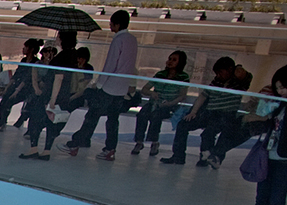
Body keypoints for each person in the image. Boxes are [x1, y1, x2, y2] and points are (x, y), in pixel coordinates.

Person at [66, 10, 137, 159]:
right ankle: (110, 149)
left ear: (117, 24)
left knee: (92, 116)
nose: (110, 26)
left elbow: (111, 65)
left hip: (109, 87)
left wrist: (99, 84)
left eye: (111, 24)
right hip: (121, 88)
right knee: (112, 120)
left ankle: (75, 143)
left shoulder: (118, 40)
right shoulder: (132, 40)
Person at [234, 64, 287, 205]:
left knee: (277, 200)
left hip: (284, 161)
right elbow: (266, 119)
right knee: (262, 198)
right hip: (270, 155)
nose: (280, 91)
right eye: (278, 87)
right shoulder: (279, 105)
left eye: (283, 87)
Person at [162, 57, 251, 167]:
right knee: (183, 125)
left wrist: (236, 68)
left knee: (209, 132)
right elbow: (203, 96)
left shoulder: (240, 82)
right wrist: (193, 112)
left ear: (229, 70)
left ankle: (207, 158)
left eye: (221, 72)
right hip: (209, 112)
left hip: (226, 114)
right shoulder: (216, 81)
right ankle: (178, 156)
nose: (218, 75)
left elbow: (241, 73)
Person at [129, 51, 189, 156]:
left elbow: (182, 95)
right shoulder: (160, 74)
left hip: (169, 105)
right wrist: (152, 93)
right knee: (142, 114)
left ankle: (154, 141)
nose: (170, 62)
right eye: (169, 59)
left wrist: (170, 103)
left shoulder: (183, 77)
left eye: (174, 60)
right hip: (154, 103)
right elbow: (145, 89)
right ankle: (139, 141)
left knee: (156, 116)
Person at [16, 45, 63, 159]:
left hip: (49, 95)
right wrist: (37, 88)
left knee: (49, 122)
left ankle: (45, 150)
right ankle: (33, 146)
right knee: (34, 117)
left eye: (51, 52)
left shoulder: (55, 65)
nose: (48, 55)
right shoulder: (38, 64)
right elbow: (34, 78)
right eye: (46, 52)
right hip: (39, 94)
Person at [0, 38, 41, 129]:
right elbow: (16, 74)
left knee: (9, 102)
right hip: (16, 85)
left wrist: (16, 91)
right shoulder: (23, 60)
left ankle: (0, 123)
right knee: (3, 102)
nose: (23, 49)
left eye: (25, 47)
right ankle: (3, 121)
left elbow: (27, 79)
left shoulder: (35, 62)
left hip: (26, 88)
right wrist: (8, 87)